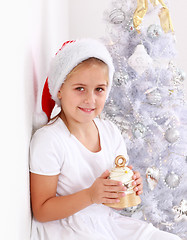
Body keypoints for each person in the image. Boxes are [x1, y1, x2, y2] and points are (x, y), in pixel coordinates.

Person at [30, 38, 181, 240]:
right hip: (69, 227)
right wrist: (90, 195)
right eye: (80, 88)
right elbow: (41, 210)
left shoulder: (109, 132)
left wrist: (128, 186)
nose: (90, 99)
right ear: (60, 89)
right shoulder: (49, 140)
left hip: (107, 222)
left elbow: (114, 186)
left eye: (99, 89)